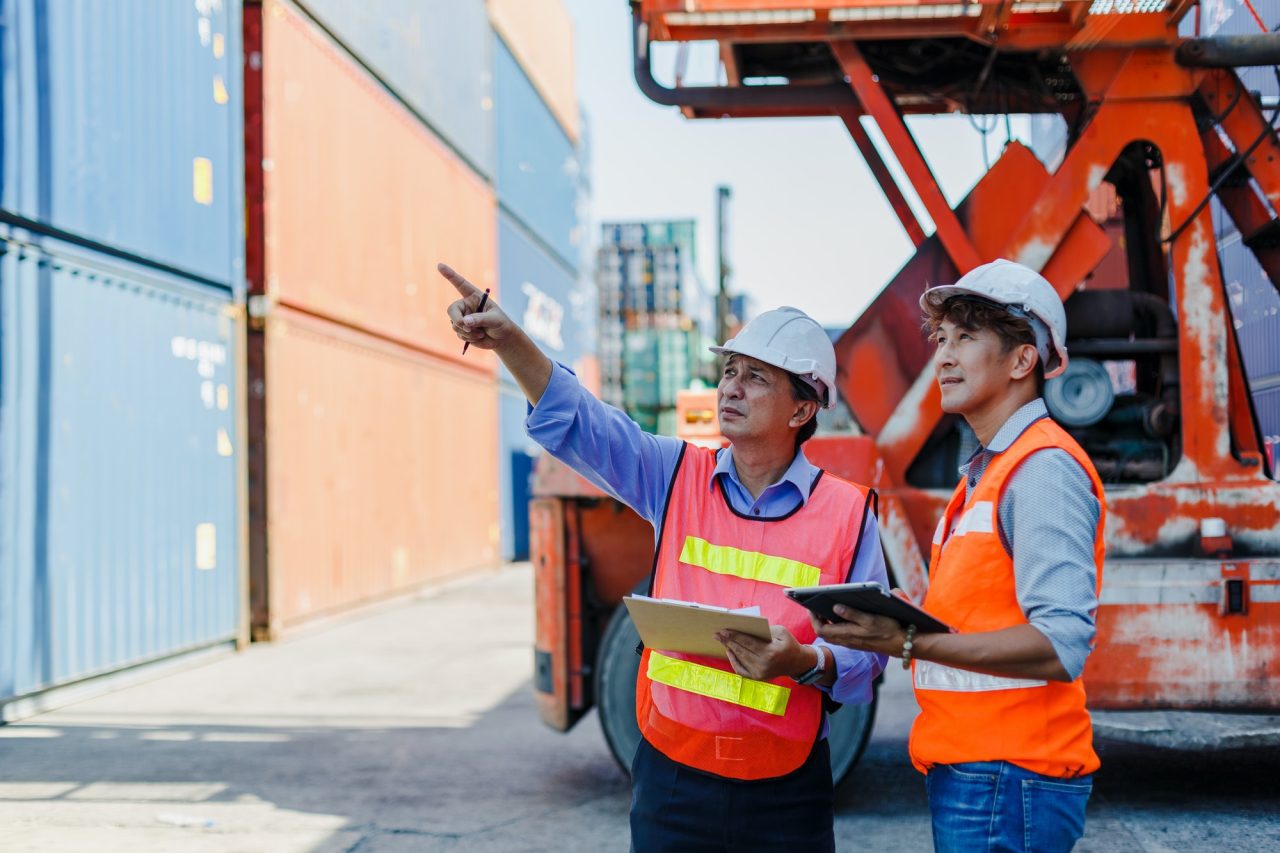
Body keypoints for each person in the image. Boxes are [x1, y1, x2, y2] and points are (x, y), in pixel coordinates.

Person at [440, 262, 887, 852]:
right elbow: (581, 421)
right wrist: (510, 341)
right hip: (672, 779)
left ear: (802, 410)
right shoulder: (673, 474)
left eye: (756, 377)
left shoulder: (848, 513)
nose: (731, 386)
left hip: (787, 788)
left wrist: (805, 660)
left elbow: (868, 658)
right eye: (729, 370)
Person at [817, 258, 1105, 853]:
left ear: (1023, 360)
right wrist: (906, 620)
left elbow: (1061, 643)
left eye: (966, 338)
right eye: (941, 339)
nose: (943, 357)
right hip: (980, 770)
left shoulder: (1041, 469)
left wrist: (906, 643)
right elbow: (980, 617)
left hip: (1009, 776)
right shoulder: (987, 472)